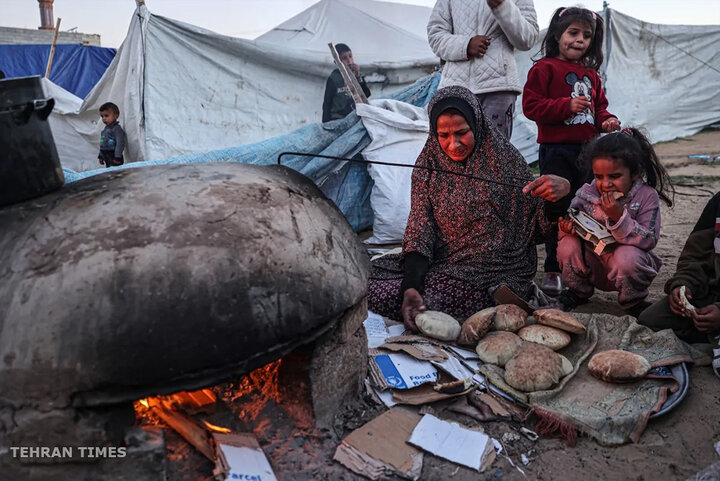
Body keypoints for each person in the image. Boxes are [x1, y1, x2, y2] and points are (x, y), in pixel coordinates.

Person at [367, 86, 570, 330]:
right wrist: (412, 285)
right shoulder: (428, 166)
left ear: (477, 124)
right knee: (363, 280)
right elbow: (420, 230)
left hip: (495, 273)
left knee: (422, 299)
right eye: (443, 135)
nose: (454, 144)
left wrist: (556, 199)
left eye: (462, 133)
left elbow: (540, 226)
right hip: (444, 262)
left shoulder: (505, 162)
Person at [522, 6, 620, 297]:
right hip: (556, 151)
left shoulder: (591, 75)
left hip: (588, 153)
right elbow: (531, 107)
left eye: (586, 36)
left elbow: (600, 107)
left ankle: (582, 265)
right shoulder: (544, 69)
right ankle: (553, 267)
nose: (579, 40)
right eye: (573, 33)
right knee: (556, 208)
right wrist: (565, 106)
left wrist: (607, 120)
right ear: (557, 34)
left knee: (586, 207)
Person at [555, 128, 673, 318]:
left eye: (614, 176)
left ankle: (633, 300)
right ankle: (577, 291)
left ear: (635, 173)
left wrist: (619, 217)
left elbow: (649, 239)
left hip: (625, 266)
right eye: (599, 176)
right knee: (567, 244)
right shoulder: (587, 194)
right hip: (592, 264)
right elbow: (574, 218)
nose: (606, 184)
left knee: (628, 255)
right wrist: (567, 229)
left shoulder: (645, 196)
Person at [427, 0, 539, 139]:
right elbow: (435, 35)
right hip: (454, 89)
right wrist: (466, 45)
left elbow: (527, 39)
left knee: (494, 154)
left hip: (498, 87)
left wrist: (502, 6)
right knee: (453, 153)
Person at [638, 192, 720, 378]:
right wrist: (683, 285)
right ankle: (711, 338)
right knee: (651, 320)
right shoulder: (718, 203)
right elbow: (694, 256)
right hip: (710, 294)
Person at [322, 43, 371, 123]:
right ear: (337, 62)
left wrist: (358, 77)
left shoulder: (355, 74)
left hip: (354, 117)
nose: (349, 61)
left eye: (350, 56)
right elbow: (327, 103)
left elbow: (367, 94)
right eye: (344, 58)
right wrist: (325, 124)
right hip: (337, 119)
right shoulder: (334, 78)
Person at [97, 102, 125, 168]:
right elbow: (102, 143)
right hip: (106, 155)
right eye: (102, 116)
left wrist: (117, 156)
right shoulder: (105, 130)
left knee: (116, 172)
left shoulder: (117, 129)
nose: (104, 118)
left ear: (116, 116)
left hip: (113, 155)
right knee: (109, 170)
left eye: (106, 116)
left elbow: (120, 143)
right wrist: (101, 156)